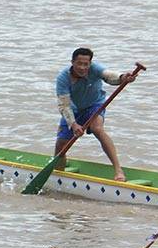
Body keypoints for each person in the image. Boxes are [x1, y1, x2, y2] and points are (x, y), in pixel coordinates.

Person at [54, 47, 138, 182]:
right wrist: (74, 125)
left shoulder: (95, 68)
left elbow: (109, 76)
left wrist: (123, 78)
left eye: (85, 64)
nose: (82, 68)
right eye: (79, 64)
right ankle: (58, 176)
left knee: (97, 129)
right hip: (73, 110)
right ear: (72, 62)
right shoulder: (63, 78)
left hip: (95, 105)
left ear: (90, 63)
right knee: (61, 145)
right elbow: (64, 105)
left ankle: (118, 170)